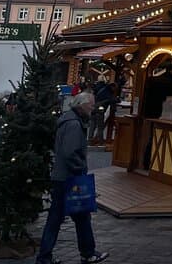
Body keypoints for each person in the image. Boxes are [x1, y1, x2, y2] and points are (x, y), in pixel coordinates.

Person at [36, 92, 109, 264]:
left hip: (62, 177)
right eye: (91, 105)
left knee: (65, 218)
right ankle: (86, 253)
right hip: (69, 179)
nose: (93, 108)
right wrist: (80, 169)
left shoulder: (68, 120)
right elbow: (70, 152)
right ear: (82, 105)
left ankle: (49, 256)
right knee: (74, 217)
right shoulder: (74, 125)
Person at [90, 76, 115, 145]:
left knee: (92, 125)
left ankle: (90, 140)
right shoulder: (107, 91)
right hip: (100, 109)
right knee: (100, 126)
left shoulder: (96, 88)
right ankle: (100, 141)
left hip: (94, 108)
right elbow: (111, 100)